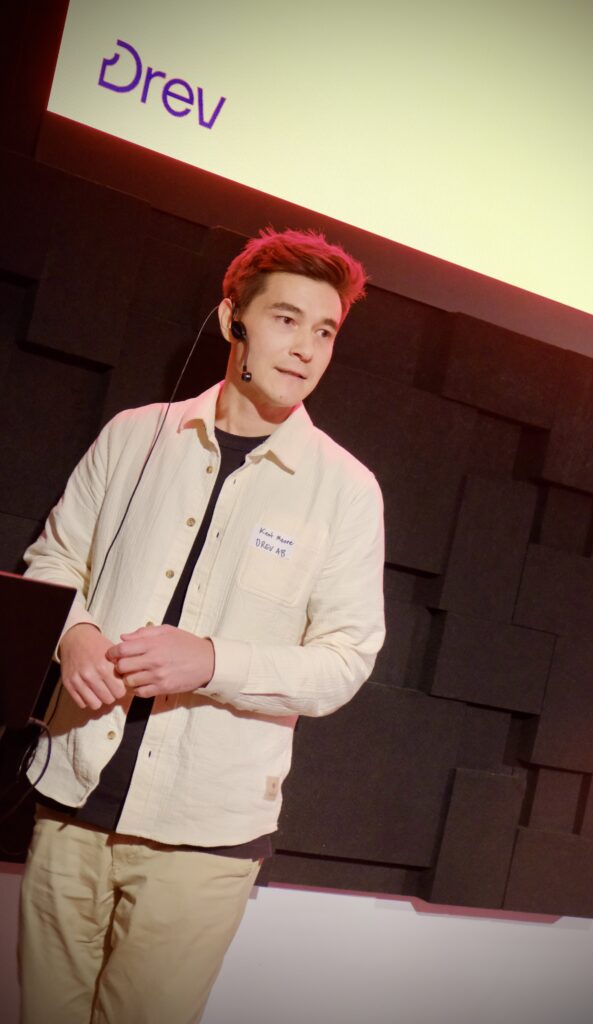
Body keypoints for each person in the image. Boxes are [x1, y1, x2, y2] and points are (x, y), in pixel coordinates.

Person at [18, 228, 385, 1024]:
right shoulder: (134, 434)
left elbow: (344, 662)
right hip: (73, 799)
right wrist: (73, 635)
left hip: (203, 834)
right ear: (231, 320)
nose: (307, 348)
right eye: (286, 319)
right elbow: (54, 560)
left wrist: (212, 661)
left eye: (325, 331)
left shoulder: (346, 490)